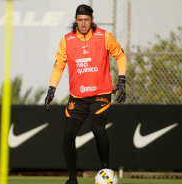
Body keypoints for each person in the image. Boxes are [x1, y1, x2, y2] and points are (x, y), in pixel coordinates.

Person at [45, 4, 127, 184]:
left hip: (101, 94)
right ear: (75, 20)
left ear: (92, 20)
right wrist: (52, 88)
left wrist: (121, 80)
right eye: (80, 20)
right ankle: (72, 179)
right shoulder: (67, 40)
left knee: (97, 129)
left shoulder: (104, 36)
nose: (83, 24)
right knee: (68, 134)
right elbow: (59, 65)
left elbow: (120, 55)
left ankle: (106, 170)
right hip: (78, 98)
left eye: (86, 20)